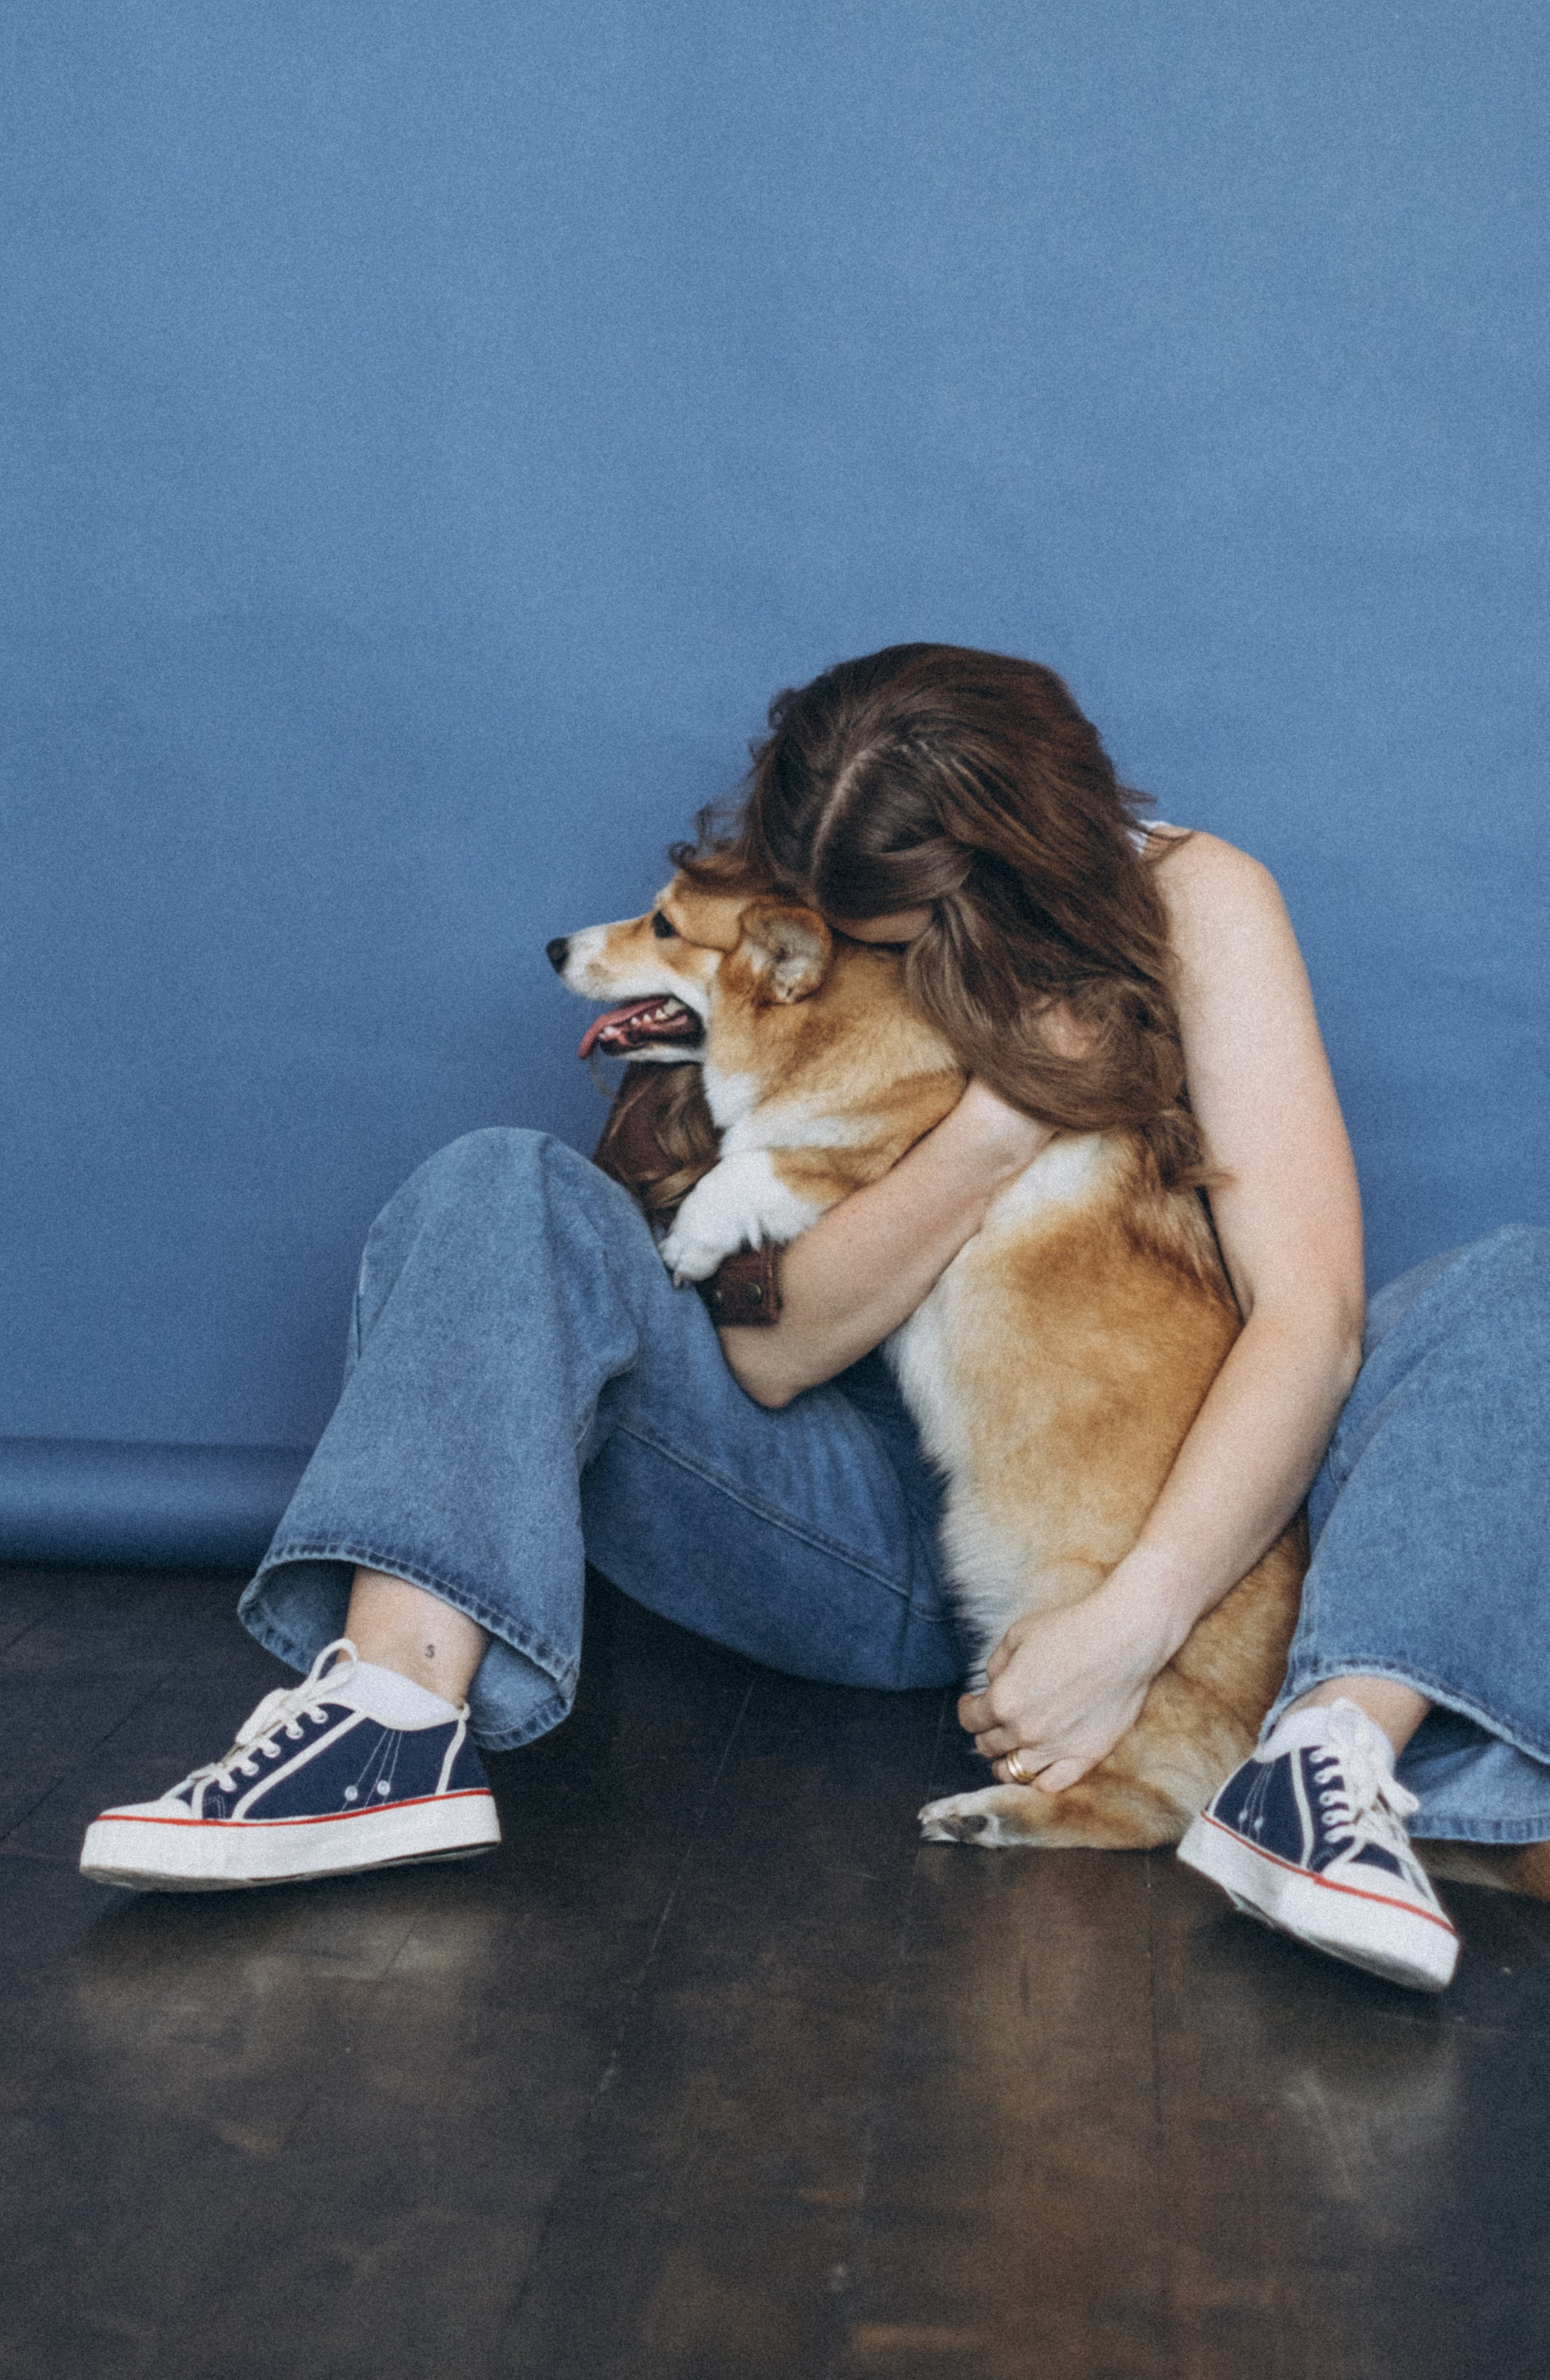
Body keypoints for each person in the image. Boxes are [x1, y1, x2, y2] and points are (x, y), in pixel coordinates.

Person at [79, 645, 1549, 1993]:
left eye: (920, 927)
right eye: (865, 932)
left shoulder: (1198, 899)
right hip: (849, 1532)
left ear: (1028, 857)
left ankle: (1324, 1761)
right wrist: (995, 1124)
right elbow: (774, 1354)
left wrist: (1130, 1620)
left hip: (1163, 1521)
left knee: (1515, 1288)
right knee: (497, 1181)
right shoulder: (783, 917)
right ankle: (387, 1726)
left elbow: (1308, 1318)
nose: (898, 959)